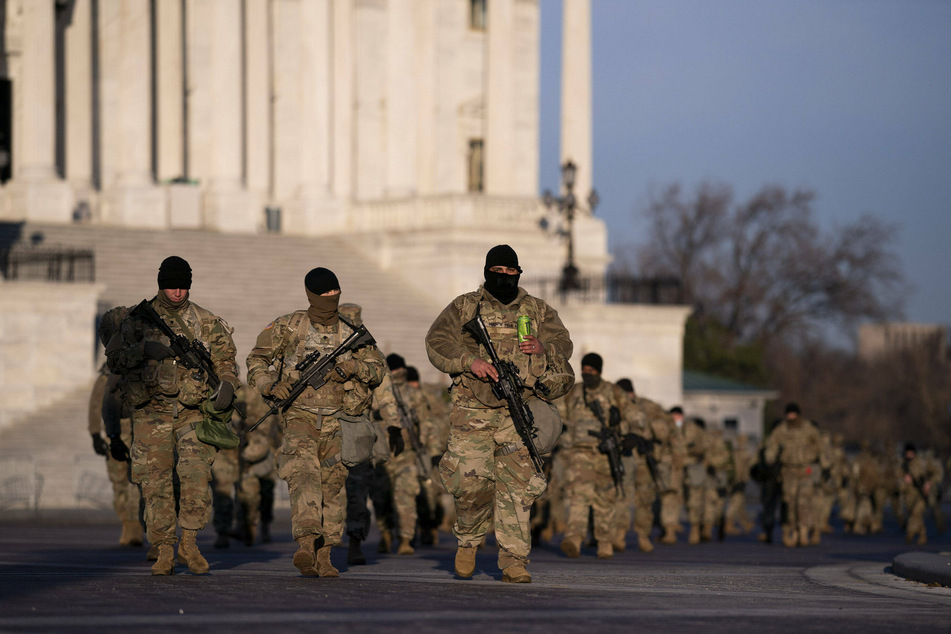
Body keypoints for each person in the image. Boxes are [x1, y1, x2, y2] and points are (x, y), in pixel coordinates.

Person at [425, 244, 573, 583]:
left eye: (510, 272)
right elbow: (437, 341)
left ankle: (514, 560)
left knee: (519, 485)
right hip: (472, 408)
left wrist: (543, 348)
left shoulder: (536, 309)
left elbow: (563, 343)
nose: (504, 278)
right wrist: (469, 361)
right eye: (498, 272)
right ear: (487, 271)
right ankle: (468, 538)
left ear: (518, 273)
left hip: (518, 407)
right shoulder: (466, 305)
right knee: (469, 483)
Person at [247, 267, 385, 577]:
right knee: (304, 474)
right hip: (300, 416)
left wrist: (353, 367)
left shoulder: (351, 332)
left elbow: (377, 369)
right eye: (323, 295)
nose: (330, 299)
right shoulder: (289, 326)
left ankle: (325, 554)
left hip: (340, 420)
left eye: (334, 294)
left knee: (333, 487)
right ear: (311, 295)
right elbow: (257, 359)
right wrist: (270, 385)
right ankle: (307, 542)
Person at [105, 256, 239, 575]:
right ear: (160, 284)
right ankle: (164, 548)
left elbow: (226, 359)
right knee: (155, 483)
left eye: (182, 286)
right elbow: (114, 360)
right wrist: (144, 350)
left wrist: (228, 385)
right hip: (151, 411)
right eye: (171, 286)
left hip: (193, 410)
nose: (177, 292)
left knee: (195, 475)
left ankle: (189, 544)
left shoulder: (207, 321)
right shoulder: (138, 321)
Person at [558, 353, 640, 559]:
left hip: (605, 453)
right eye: (584, 370)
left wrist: (632, 434)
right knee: (578, 497)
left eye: (591, 370)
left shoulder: (614, 392)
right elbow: (559, 416)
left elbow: (635, 415)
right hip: (580, 453)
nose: (587, 374)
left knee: (605, 499)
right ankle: (574, 539)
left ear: (599, 371)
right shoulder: (574, 392)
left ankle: (605, 542)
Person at [764, 403, 829, 547]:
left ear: (798, 415)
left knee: (803, 501)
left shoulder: (808, 429)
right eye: (788, 414)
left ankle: (803, 530)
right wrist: (771, 460)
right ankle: (791, 530)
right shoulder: (782, 429)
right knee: (789, 502)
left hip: (805, 469)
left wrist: (825, 466)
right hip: (788, 471)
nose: (791, 417)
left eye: (793, 414)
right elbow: (772, 445)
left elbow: (821, 447)